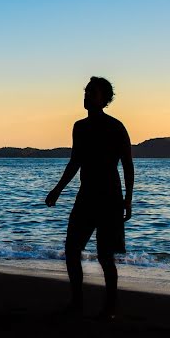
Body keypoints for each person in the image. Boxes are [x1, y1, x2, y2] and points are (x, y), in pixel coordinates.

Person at [45, 77, 134, 319]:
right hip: (86, 196)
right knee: (72, 249)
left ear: (105, 99)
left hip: (111, 198)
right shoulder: (79, 127)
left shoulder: (116, 127)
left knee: (105, 256)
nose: (86, 96)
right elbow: (75, 162)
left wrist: (128, 199)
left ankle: (110, 308)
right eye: (85, 92)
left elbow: (127, 164)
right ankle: (76, 303)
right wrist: (58, 189)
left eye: (91, 93)